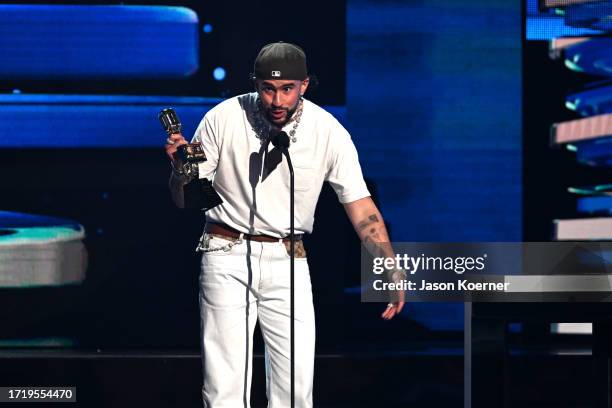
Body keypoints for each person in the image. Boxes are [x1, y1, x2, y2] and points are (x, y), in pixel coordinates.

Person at [165, 42, 404, 408]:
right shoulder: (223, 118)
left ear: (304, 85)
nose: (277, 100)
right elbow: (186, 200)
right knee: (224, 385)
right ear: (255, 84)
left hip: (288, 259)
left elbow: (359, 204)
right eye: (268, 88)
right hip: (225, 252)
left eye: (287, 89)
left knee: (295, 387)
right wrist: (180, 172)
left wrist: (387, 266)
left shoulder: (328, 131)